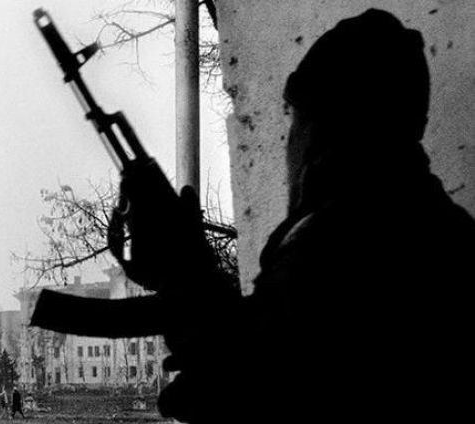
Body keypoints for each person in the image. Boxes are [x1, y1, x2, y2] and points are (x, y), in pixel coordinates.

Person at [111, 8, 475, 424]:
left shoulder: (336, 242)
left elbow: (256, 385)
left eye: (296, 117)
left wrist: (183, 277)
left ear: (326, 126)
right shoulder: (439, 227)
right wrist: (191, 282)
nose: (289, 140)